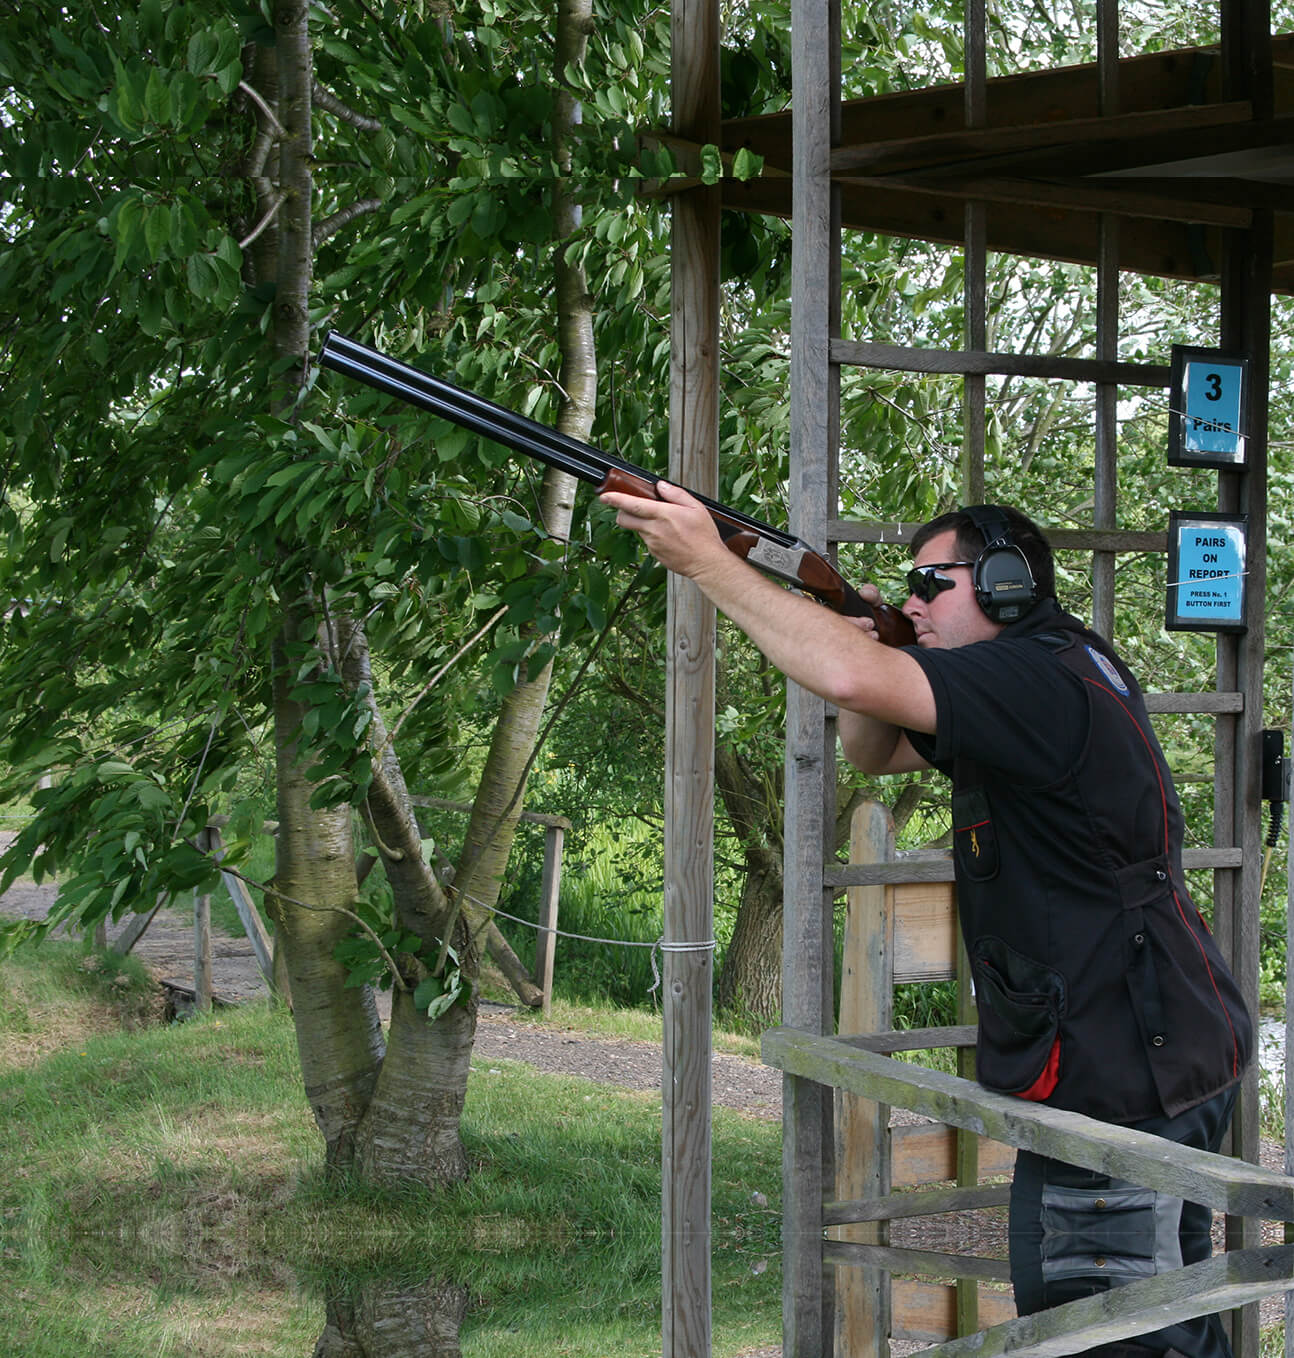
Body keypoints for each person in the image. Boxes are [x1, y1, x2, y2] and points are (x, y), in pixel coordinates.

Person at [600, 482, 1254, 1358]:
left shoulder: (1029, 680)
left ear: (1005, 584)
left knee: (1102, 1324)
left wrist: (709, 562)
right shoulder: (1045, 666)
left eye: (931, 583)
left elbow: (840, 672)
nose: (912, 600)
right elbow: (874, 743)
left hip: (1129, 1064)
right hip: (1143, 1046)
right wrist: (871, 636)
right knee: (1140, 1319)